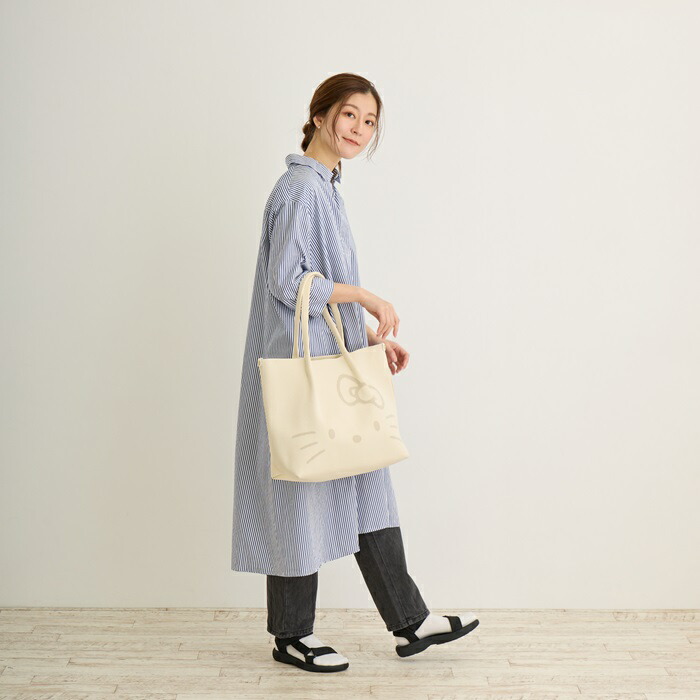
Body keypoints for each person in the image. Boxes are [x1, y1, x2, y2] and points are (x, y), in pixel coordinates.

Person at [230, 72, 478, 673]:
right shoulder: (300, 189)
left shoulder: (326, 188)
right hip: (300, 370)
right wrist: (365, 298)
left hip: (327, 361)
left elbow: (313, 293)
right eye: (349, 115)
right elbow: (288, 284)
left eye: (370, 122)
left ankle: (409, 619)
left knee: (367, 483)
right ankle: (292, 635)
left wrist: (366, 340)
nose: (359, 130)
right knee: (298, 490)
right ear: (319, 116)